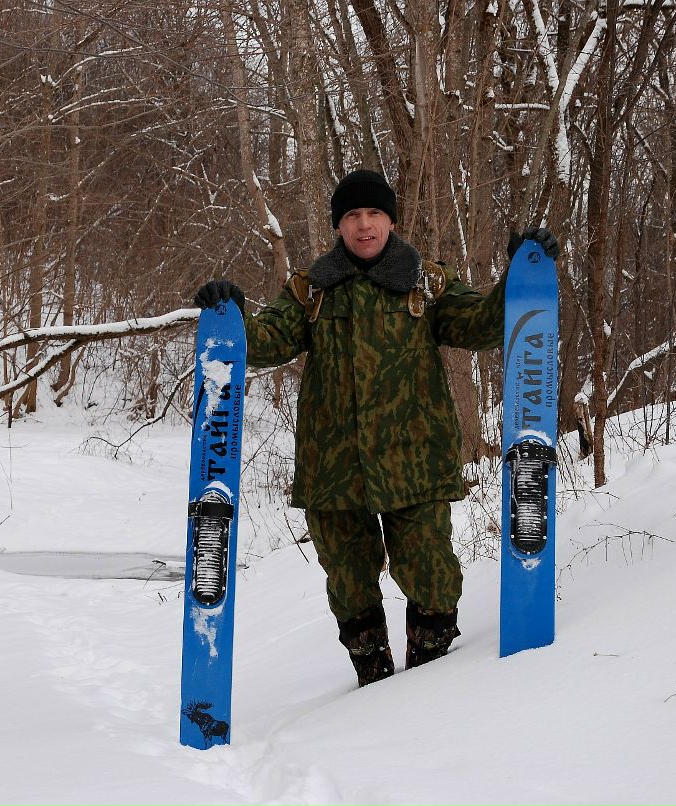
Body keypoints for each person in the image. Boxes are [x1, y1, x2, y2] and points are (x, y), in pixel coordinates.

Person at [193, 168, 558, 687]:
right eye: (352, 216)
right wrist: (229, 314)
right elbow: (267, 342)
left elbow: (480, 325)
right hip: (334, 470)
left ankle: (434, 685)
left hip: (415, 460)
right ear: (339, 225)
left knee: (431, 576)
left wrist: (518, 279)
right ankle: (373, 691)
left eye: (374, 214)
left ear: (391, 220)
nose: (364, 225)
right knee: (350, 585)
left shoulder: (426, 283)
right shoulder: (311, 290)